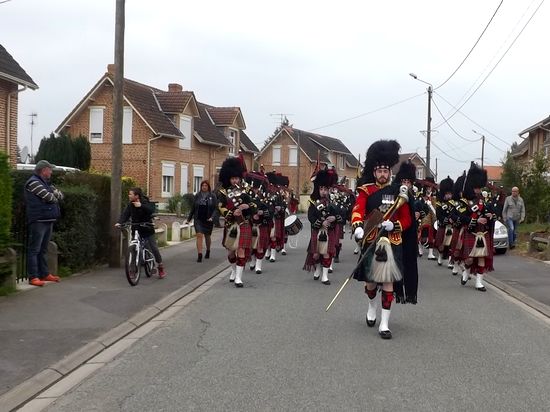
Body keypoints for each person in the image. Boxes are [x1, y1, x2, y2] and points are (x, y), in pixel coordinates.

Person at [351, 140, 413, 339]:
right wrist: (358, 228)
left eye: (386, 171)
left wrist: (394, 225)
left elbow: (407, 219)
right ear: (374, 171)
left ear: (390, 171)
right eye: (379, 171)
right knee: (370, 282)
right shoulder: (365, 191)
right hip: (371, 239)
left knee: (388, 283)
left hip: (392, 241)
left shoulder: (398, 192)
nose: (383, 174)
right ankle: (371, 306)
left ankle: (384, 324)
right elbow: (357, 211)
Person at [217, 157, 256, 287]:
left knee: (241, 250)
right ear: (228, 178)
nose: (235, 181)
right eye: (233, 178)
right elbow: (220, 206)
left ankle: (239, 278)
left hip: (244, 223)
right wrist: (231, 212)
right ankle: (233, 270)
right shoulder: (223, 192)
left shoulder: (246, 190)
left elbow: (254, 206)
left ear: (240, 178)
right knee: (230, 252)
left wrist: (247, 207)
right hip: (230, 224)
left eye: (237, 178)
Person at [25, 160, 64, 286]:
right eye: (50, 169)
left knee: (43, 249)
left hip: (47, 219)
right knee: (34, 249)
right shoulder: (34, 183)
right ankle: (33, 277)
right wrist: (53, 195)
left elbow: (60, 196)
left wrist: (53, 194)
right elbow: (50, 197)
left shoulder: (45, 183)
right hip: (38, 220)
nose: (51, 172)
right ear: (43, 170)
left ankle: (45, 274)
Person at [458, 162, 495, 292]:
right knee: (468, 259)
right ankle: (466, 272)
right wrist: (475, 219)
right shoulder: (464, 202)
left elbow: (486, 213)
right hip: (471, 231)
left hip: (482, 233)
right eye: (476, 188)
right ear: (471, 186)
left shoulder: (481, 201)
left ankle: (479, 282)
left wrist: (489, 216)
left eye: (479, 188)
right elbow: (462, 217)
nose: (478, 190)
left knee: (481, 257)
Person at [303, 168, 342, 285]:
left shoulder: (333, 204)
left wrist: (334, 218)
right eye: (321, 189)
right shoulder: (313, 204)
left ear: (329, 190)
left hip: (329, 232)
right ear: (318, 189)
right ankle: (318, 269)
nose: (324, 191)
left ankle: (324, 276)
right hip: (317, 232)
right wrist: (321, 222)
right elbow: (311, 217)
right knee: (316, 254)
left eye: (326, 189)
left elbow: (340, 215)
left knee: (327, 253)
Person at [116, 187, 165, 278]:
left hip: (147, 229)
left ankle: (160, 266)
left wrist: (141, 206)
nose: (129, 195)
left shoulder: (145, 202)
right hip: (136, 228)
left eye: (130, 194)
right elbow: (125, 214)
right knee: (134, 249)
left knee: (154, 248)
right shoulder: (130, 205)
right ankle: (133, 270)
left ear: (136, 196)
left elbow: (151, 210)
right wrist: (120, 222)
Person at [186, 180, 217, 262]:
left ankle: (208, 250)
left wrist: (212, 217)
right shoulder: (197, 195)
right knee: (199, 235)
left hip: (208, 219)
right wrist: (188, 219)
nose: (204, 187)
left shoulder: (212, 196)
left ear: (208, 187)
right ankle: (199, 254)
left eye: (206, 185)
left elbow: (215, 209)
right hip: (198, 219)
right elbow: (193, 208)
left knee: (207, 236)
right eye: (203, 185)